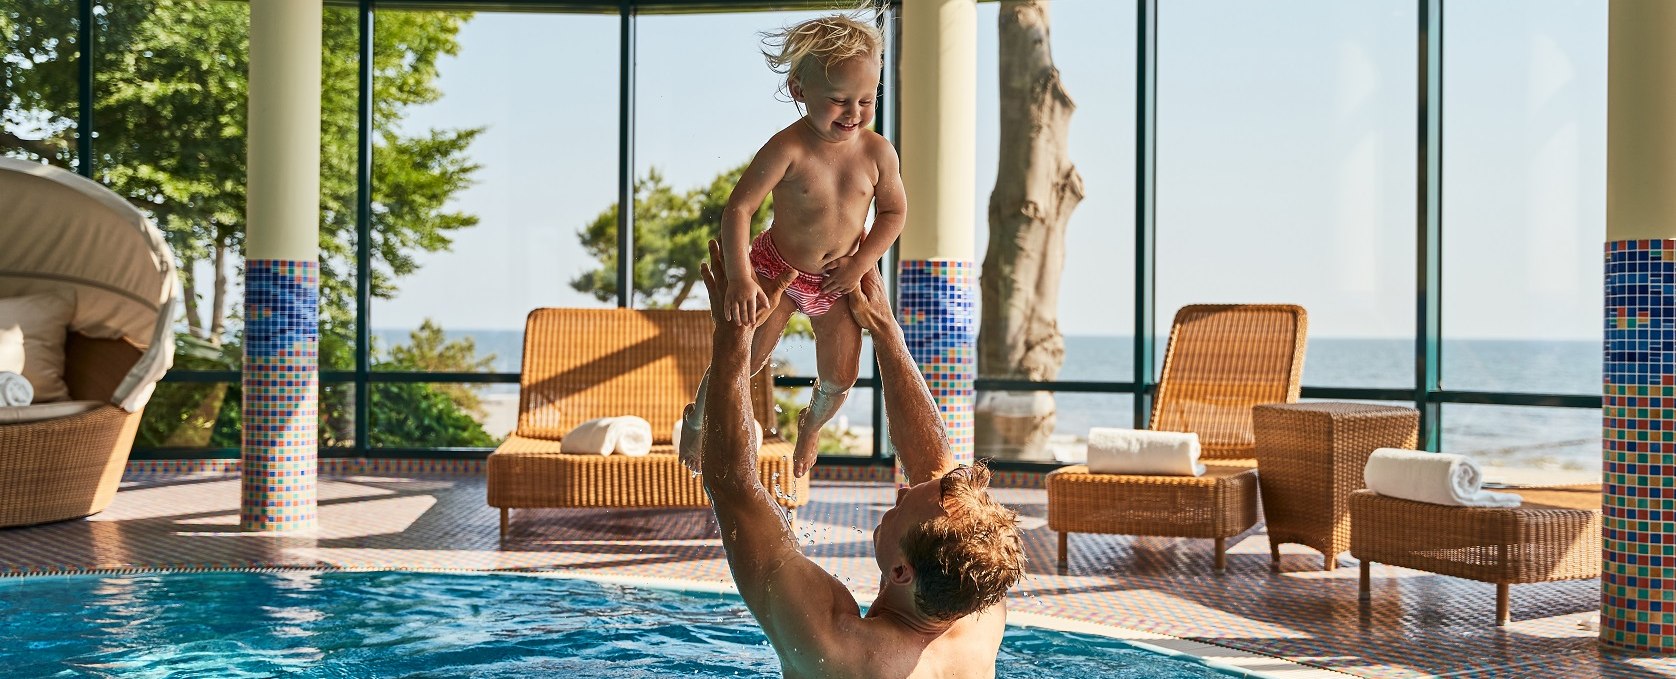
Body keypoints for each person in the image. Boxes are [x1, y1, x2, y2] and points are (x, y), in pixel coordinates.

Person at [694, 239, 1026, 678]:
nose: (901, 495)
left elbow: (733, 487)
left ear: (902, 571)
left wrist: (734, 339)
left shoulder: (836, 646)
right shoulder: (978, 604)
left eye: (900, 506)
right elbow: (936, 469)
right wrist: (885, 329)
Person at [679, 12, 906, 478]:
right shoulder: (788, 148)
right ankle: (697, 421)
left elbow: (892, 213)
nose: (854, 113)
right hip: (774, 267)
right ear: (800, 90)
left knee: (841, 377)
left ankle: (810, 425)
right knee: (740, 356)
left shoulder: (877, 152)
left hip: (838, 280)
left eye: (866, 99)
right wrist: (742, 277)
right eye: (839, 100)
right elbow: (738, 210)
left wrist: (861, 262)